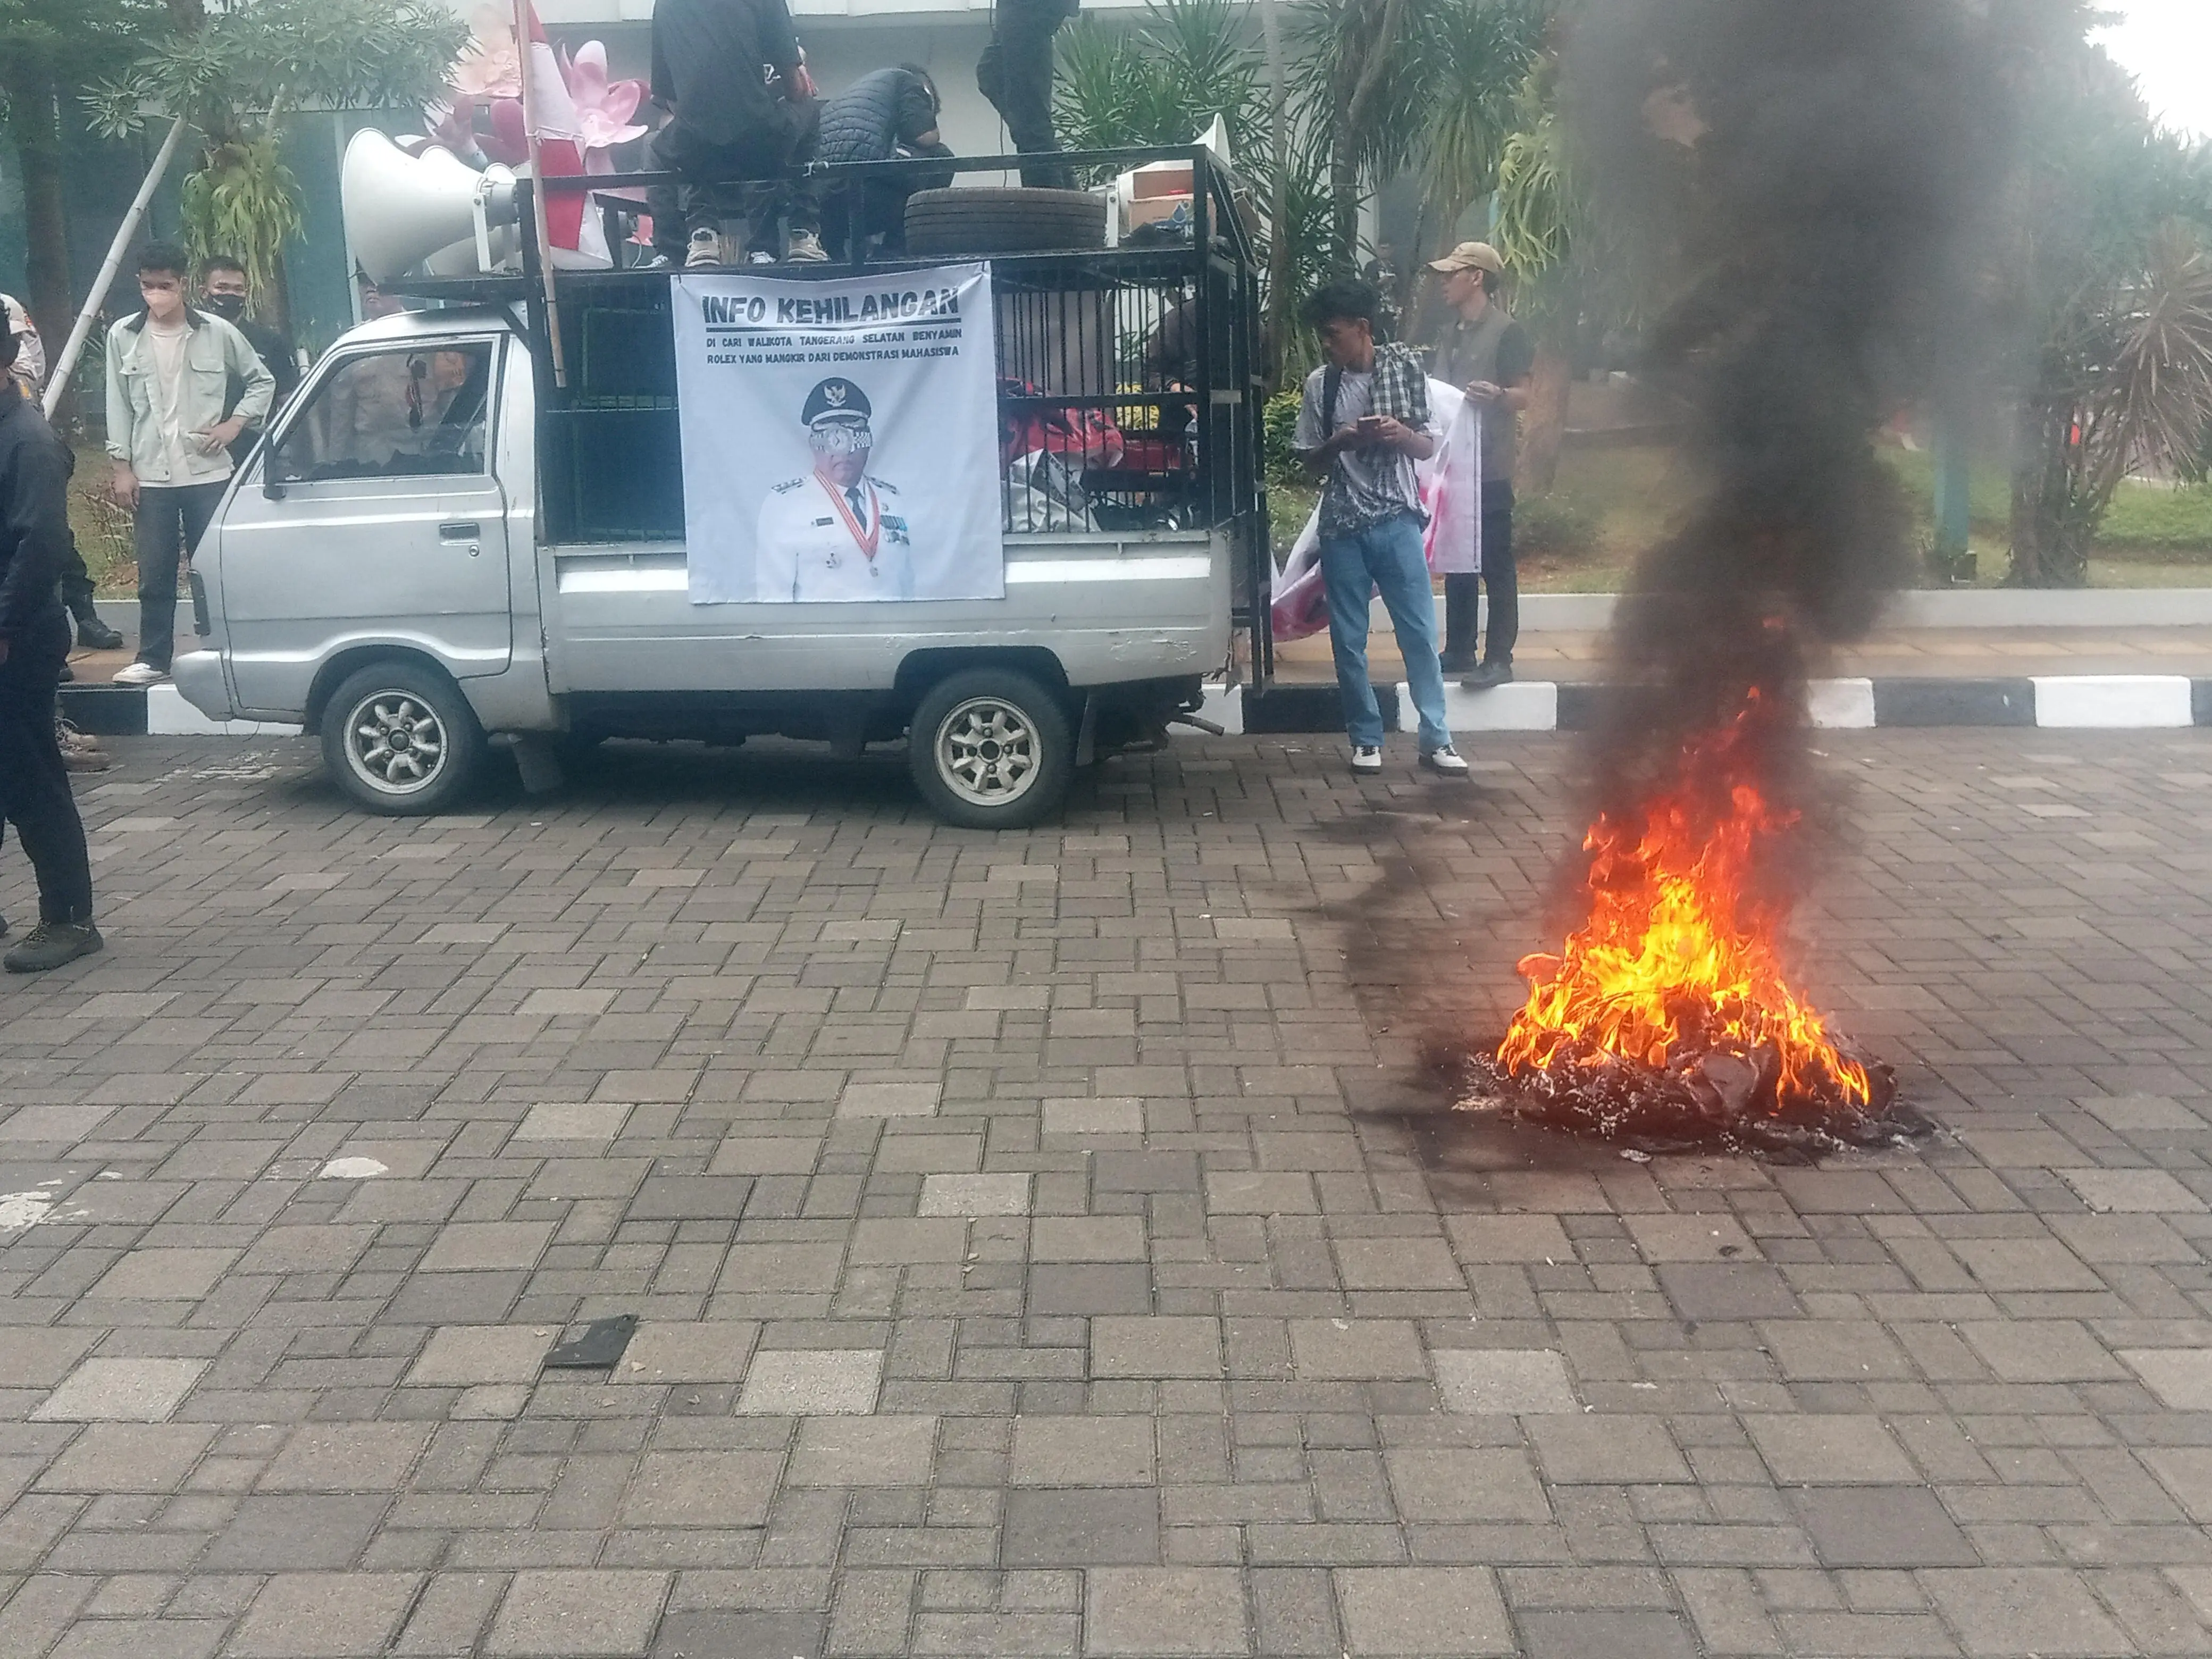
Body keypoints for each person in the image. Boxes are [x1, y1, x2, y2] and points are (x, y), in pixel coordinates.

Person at [1292, 277, 1466, 778]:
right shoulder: (1320, 386)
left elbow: (1427, 447)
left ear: (1363, 328)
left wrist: (1400, 433)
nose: (1329, 345)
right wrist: (1339, 442)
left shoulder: (1405, 369)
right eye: (1325, 337)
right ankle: (1365, 739)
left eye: (1335, 334)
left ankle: (1437, 738)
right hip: (1343, 526)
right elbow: (1308, 461)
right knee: (1349, 640)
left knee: (1418, 635)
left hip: (1397, 521)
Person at [104, 242, 274, 688]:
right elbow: (118, 404)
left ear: (183, 286)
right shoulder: (123, 334)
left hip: (208, 471)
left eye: (165, 285)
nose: (156, 294)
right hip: (151, 473)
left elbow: (262, 379)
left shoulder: (216, 331)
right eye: (148, 285)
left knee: (211, 566)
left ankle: (220, 649)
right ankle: (153, 657)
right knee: (155, 570)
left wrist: (235, 424)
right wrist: (122, 466)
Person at [0, 318, 103, 972]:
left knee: (30, 776)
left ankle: (69, 918)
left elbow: (42, 547)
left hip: (19, 636)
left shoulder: (28, 443)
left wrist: (4, 626)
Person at [647, 0, 828, 267]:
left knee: (686, 131)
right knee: (808, 109)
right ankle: (803, 235)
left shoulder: (665, 4)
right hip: (758, 145)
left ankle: (701, 237)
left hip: (695, 147)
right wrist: (782, 81)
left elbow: (670, 99)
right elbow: (795, 90)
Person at [1428, 240, 1534, 685]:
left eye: (1453, 273)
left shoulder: (1509, 332)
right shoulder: (1450, 333)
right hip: (1455, 467)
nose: (1444, 282)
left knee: (1495, 562)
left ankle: (1499, 659)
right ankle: (1459, 651)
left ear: (1477, 278)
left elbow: (1526, 394)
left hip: (1489, 468)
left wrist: (1499, 396)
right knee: (1458, 560)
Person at [3, 294, 127, 657]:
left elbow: (30, 365)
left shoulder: (7, 307)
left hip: (20, 423)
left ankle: (85, 617)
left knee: (51, 540)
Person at [755, 377, 916, 601]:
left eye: (854, 439)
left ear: (868, 441)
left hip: (890, 631)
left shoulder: (892, 499)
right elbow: (773, 596)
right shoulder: (785, 505)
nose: (843, 452)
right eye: (831, 440)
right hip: (824, 632)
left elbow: (907, 587)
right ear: (814, 444)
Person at [818, 64, 956, 258]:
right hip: (865, 198)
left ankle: (833, 258)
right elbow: (923, 136)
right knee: (942, 158)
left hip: (822, 205)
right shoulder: (911, 83)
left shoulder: (860, 97)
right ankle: (896, 250)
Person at [200, 255, 300, 468]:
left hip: (256, 455)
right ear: (204, 292)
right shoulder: (186, 338)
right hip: (202, 453)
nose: (230, 295)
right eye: (222, 287)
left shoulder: (270, 342)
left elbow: (288, 401)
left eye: (238, 289)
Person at [977, 0, 1077, 188]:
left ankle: (1051, 205)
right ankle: (1040, 145)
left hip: (1027, 9)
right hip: (1021, 10)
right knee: (990, 73)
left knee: (1031, 118)